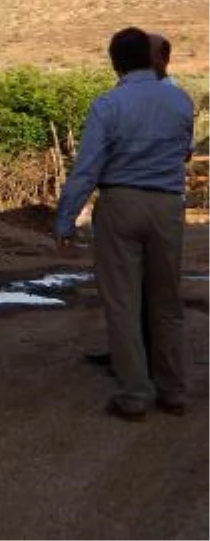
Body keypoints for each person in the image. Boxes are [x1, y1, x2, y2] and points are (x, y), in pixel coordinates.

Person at [55, 27, 195, 421]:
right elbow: (184, 152)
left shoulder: (108, 105)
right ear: (151, 58)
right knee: (166, 302)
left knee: (123, 302)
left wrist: (65, 219)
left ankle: (136, 393)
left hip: (119, 201)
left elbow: (87, 168)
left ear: (115, 61)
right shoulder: (181, 102)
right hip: (168, 205)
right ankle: (173, 391)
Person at [83, 31, 174, 374]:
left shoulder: (118, 101)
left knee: (135, 293)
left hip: (126, 197)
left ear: (162, 58)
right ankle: (157, 376)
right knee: (148, 293)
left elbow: (91, 161)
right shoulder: (177, 99)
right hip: (163, 201)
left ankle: (137, 374)